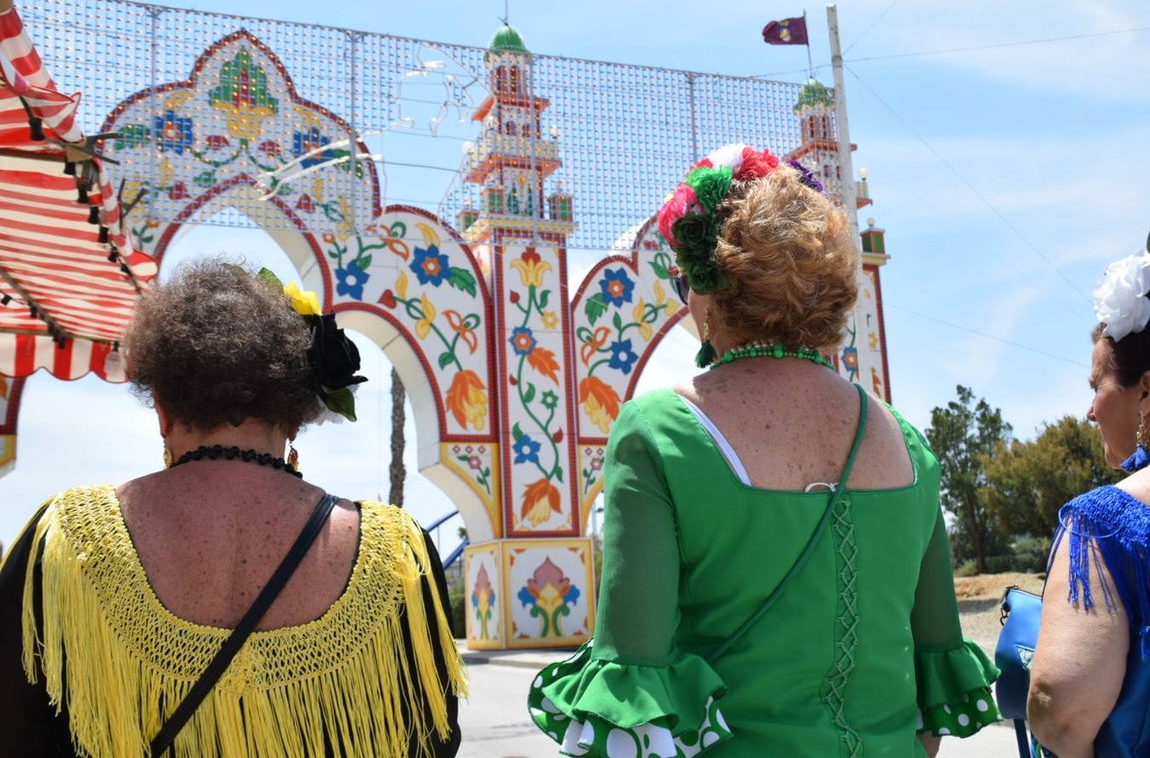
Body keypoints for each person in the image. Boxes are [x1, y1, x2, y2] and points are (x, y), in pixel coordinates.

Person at [526, 144, 1000, 757]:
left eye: (681, 280)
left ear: (705, 286)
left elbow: (632, 686)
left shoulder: (661, 429)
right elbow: (932, 704)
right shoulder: (905, 442)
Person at [0, 260, 466, 757]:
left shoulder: (66, 536)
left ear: (161, 405)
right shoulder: (394, 548)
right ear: (296, 411)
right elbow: (432, 739)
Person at [1029, 249, 1150, 758]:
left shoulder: (1103, 521)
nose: (1089, 411)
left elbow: (1061, 709)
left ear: (1145, 390)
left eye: (1097, 384)